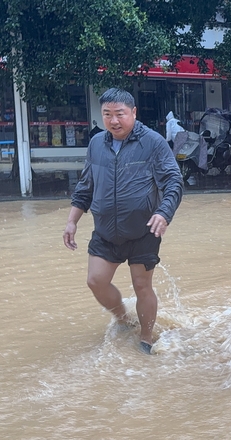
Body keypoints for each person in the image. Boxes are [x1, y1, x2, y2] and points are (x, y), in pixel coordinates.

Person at [63, 88, 183, 355]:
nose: (114, 121)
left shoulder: (152, 142)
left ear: (134, 113)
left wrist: (163, 213)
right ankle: (122, 318)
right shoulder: (96, 144)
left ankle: (147, 336)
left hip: (144, 230)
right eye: (107, 114)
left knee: (142, 285)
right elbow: (86, 186)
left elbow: (173, 181)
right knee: (96, 280)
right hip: (105, 230)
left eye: (120, 114)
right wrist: (72, 221)